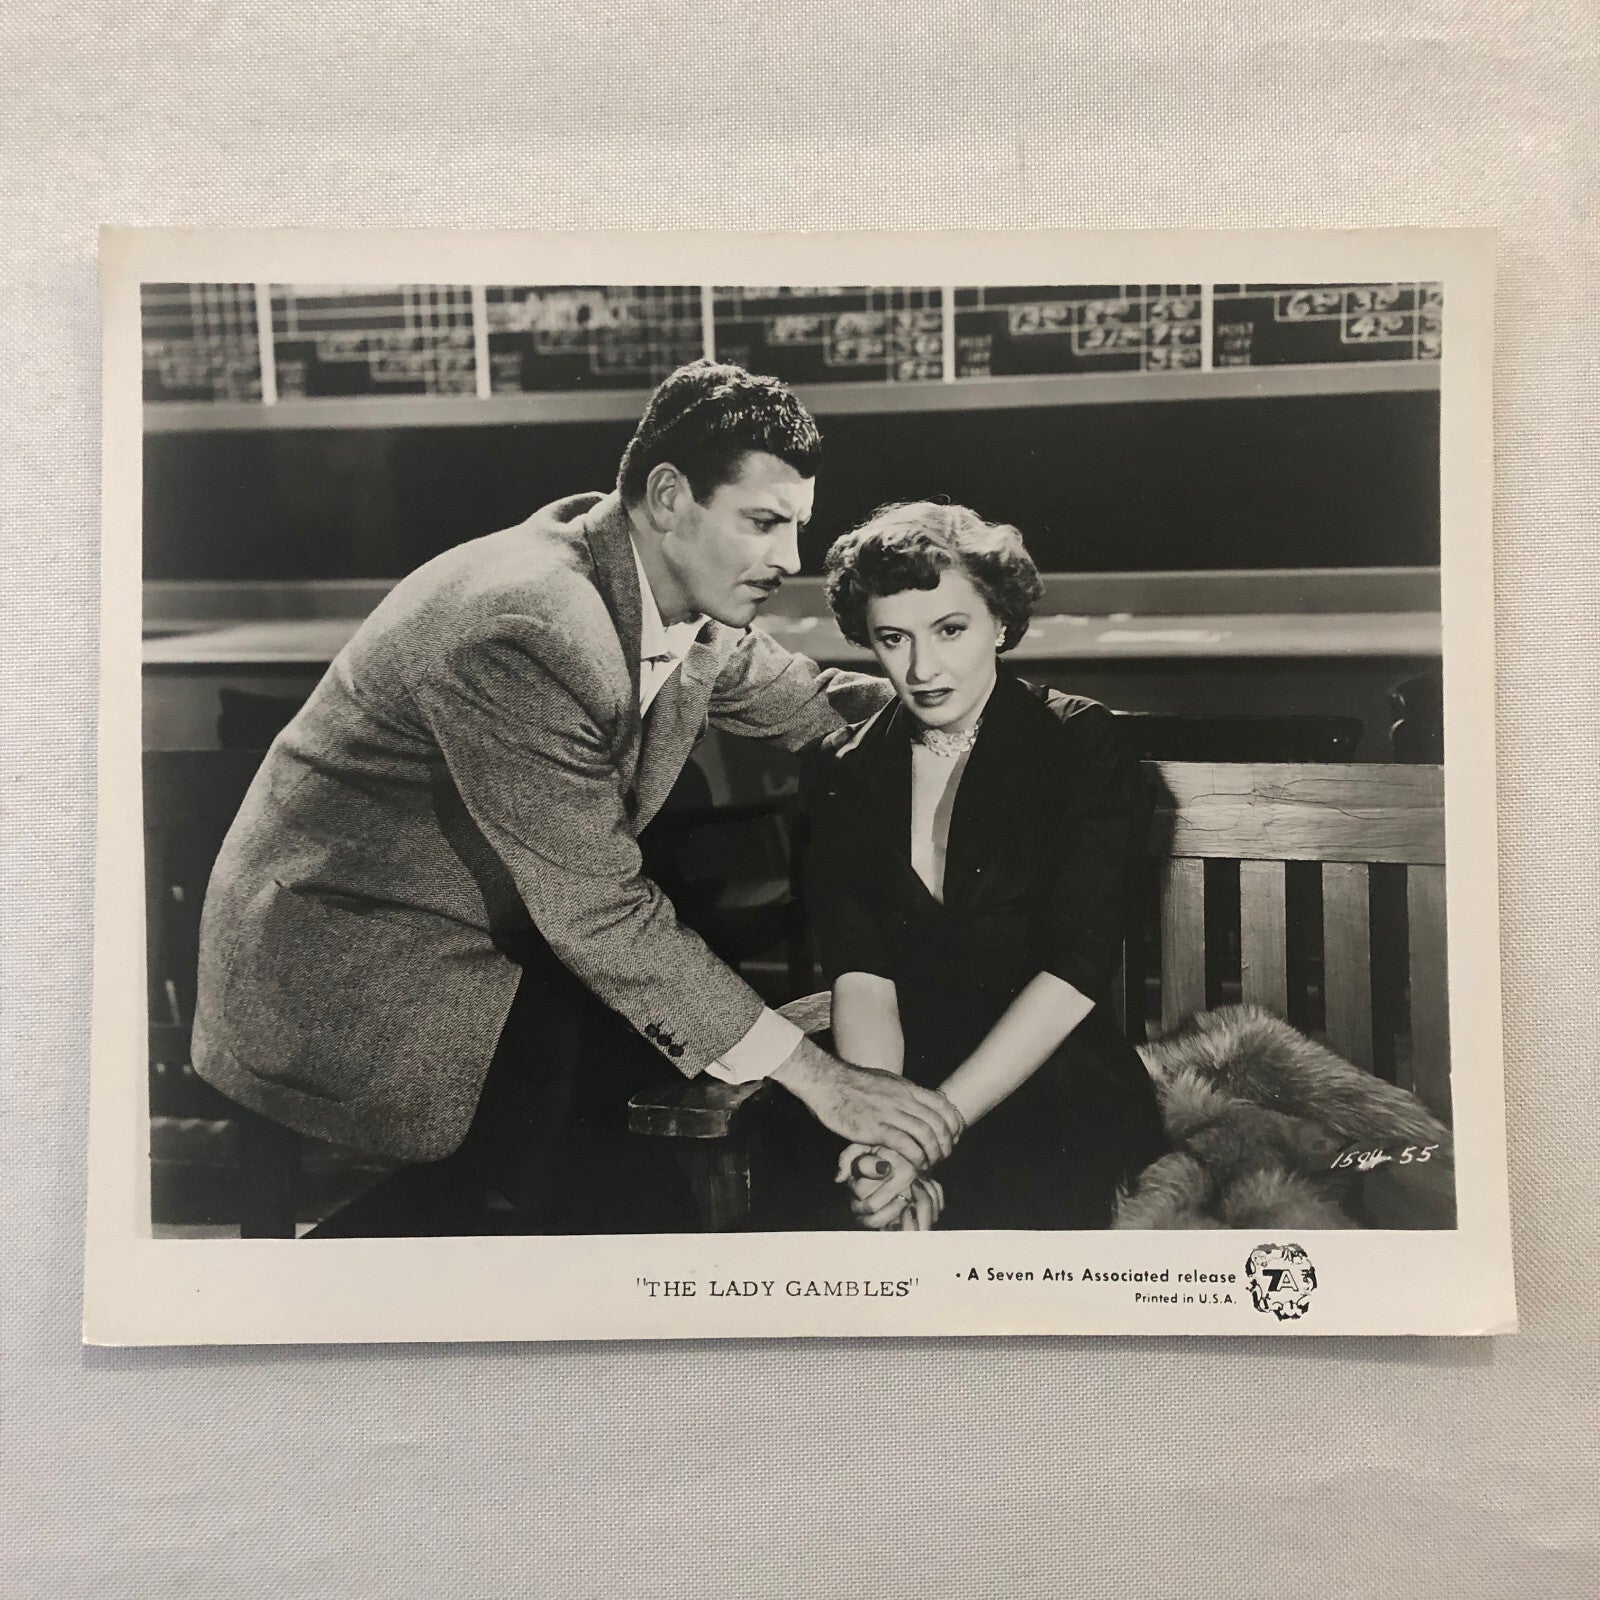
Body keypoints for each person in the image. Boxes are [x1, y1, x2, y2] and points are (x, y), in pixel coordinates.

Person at [191, 362, 962, 1235]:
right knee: (650, 1174)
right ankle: (336, 1282)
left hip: (500, 937)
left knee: (700, 1105)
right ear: (668, 497)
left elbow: (814, 705)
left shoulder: (669, 593)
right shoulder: (528, 626)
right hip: (350, 975)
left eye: (797, 527)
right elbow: (599, 913)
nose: (789, 559)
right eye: (763, 523)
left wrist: (1005, 726)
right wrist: (825, 1081)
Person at [793, 501, 1168, 1230]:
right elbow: (861, 972)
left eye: (950, 630)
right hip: (899, 1083)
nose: (922, 668)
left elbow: (1075, 970)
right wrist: (884, 1138)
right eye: (893, 638)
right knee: (832, 1211)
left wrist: (926, 1138)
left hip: (1051, 1080)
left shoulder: (1078, 743)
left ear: (1000, 622)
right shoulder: (843, 766)